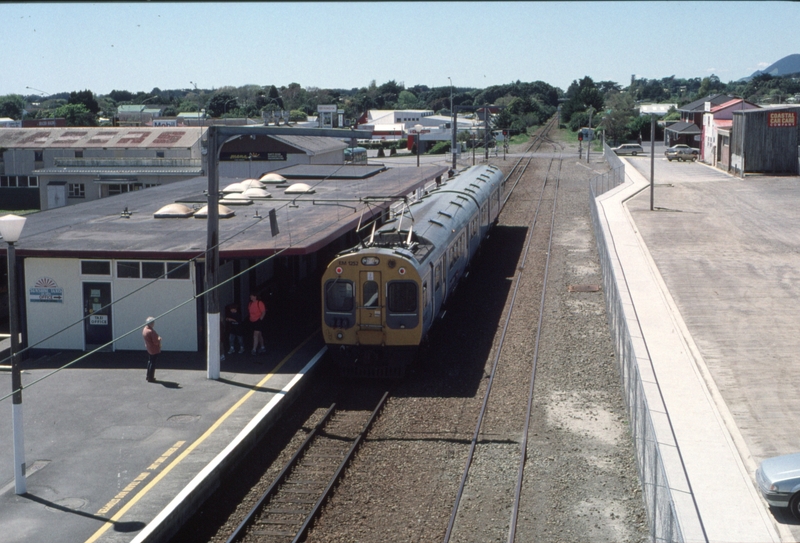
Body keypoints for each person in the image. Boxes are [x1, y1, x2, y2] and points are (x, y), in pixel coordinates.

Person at [142, 316, 161, 382]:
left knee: (150, 361)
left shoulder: (145, 329)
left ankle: (148, 376)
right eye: (153, 322)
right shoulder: (151, 332)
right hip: (154, 349)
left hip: (149, 348)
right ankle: (151, 377)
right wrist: (159, 339)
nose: (154, 323)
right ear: (151, 323)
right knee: (153, 363)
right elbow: (156, 342)